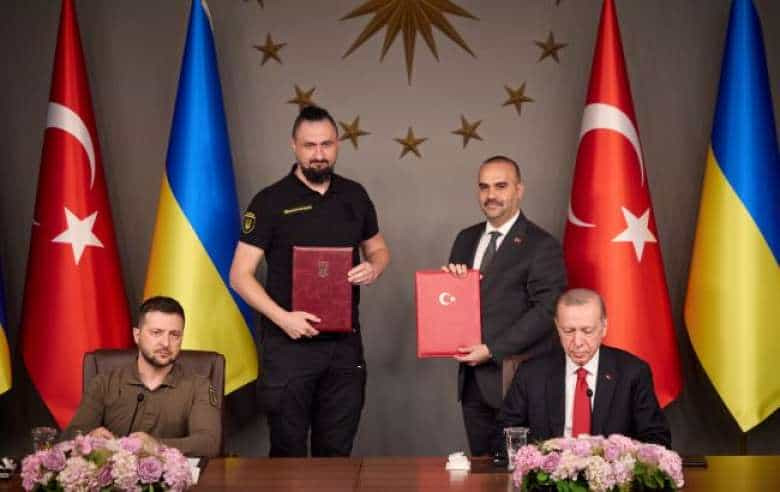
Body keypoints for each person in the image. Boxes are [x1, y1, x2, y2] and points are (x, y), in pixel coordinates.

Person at [229, 105, 390, 457]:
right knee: (287, 454)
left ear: (338, 144)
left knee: (336, 454)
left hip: (344, 348)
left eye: (326, 144)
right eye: (309, 145)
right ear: (294, 146)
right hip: (289, 347)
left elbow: (378, 250)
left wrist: (374, 267)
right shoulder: (270, 201)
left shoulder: (355, 195)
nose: (319, 154)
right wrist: (283, 318)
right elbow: (239, 275)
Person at [443, 155, 567, 457]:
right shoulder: (465, 238)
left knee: (524, 470)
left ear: (519, 190)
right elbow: (454, 303)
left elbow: (547, 310)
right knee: (481, 470)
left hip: (521, 379)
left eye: (501, 186)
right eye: (484, 187)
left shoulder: (542, 244)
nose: (491, 195)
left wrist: (492, 349)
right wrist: (447, 287)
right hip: (473, 383)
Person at [500, 288, 671, 447]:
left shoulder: (632, 372)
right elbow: (502, 435)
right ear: (557, 327)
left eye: (587, 331)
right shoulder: (531, 373)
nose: (577, 342)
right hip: (548, 469)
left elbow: (656, 439)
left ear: (604, 328)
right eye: (568, 331)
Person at [65, 296, 220, 457]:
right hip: (113, 471)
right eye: (156, 333)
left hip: (174, 473)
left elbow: (209, 443)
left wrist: (157, 446)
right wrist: (89, 439)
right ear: (137, 335)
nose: (166, 343)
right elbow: (68, 437)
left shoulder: (199, 386)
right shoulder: (104, 383)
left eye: (175, 335)